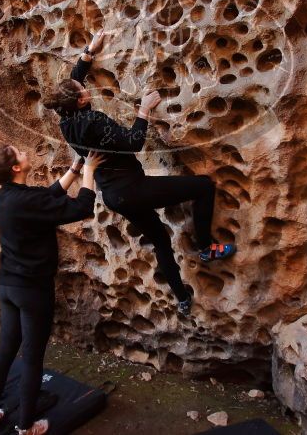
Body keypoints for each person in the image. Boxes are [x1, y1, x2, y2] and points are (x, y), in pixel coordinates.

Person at [43, 30, 236, 318]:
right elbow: (134, 141)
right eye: (83, 90)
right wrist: (144, 110)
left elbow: (75, 81)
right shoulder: (94, 120)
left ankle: (182, 299)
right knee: (204, 186)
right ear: (82, 101)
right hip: (133, 188)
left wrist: (89, 52)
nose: (85, 88)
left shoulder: (66, 120)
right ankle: (206, 247)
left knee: (160, 239)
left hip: (114, 196)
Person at [0, 144, 105, 435]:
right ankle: (26, 427)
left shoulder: (5, 196)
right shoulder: (24, 200)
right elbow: (82, 207)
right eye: (18, 152)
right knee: (32, 358)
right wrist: (90, 172)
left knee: (6, 351)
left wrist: (74, 170)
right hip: (32, 290)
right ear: (16, 168)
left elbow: (47, 196)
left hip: (8, 285)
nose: (23, 151)